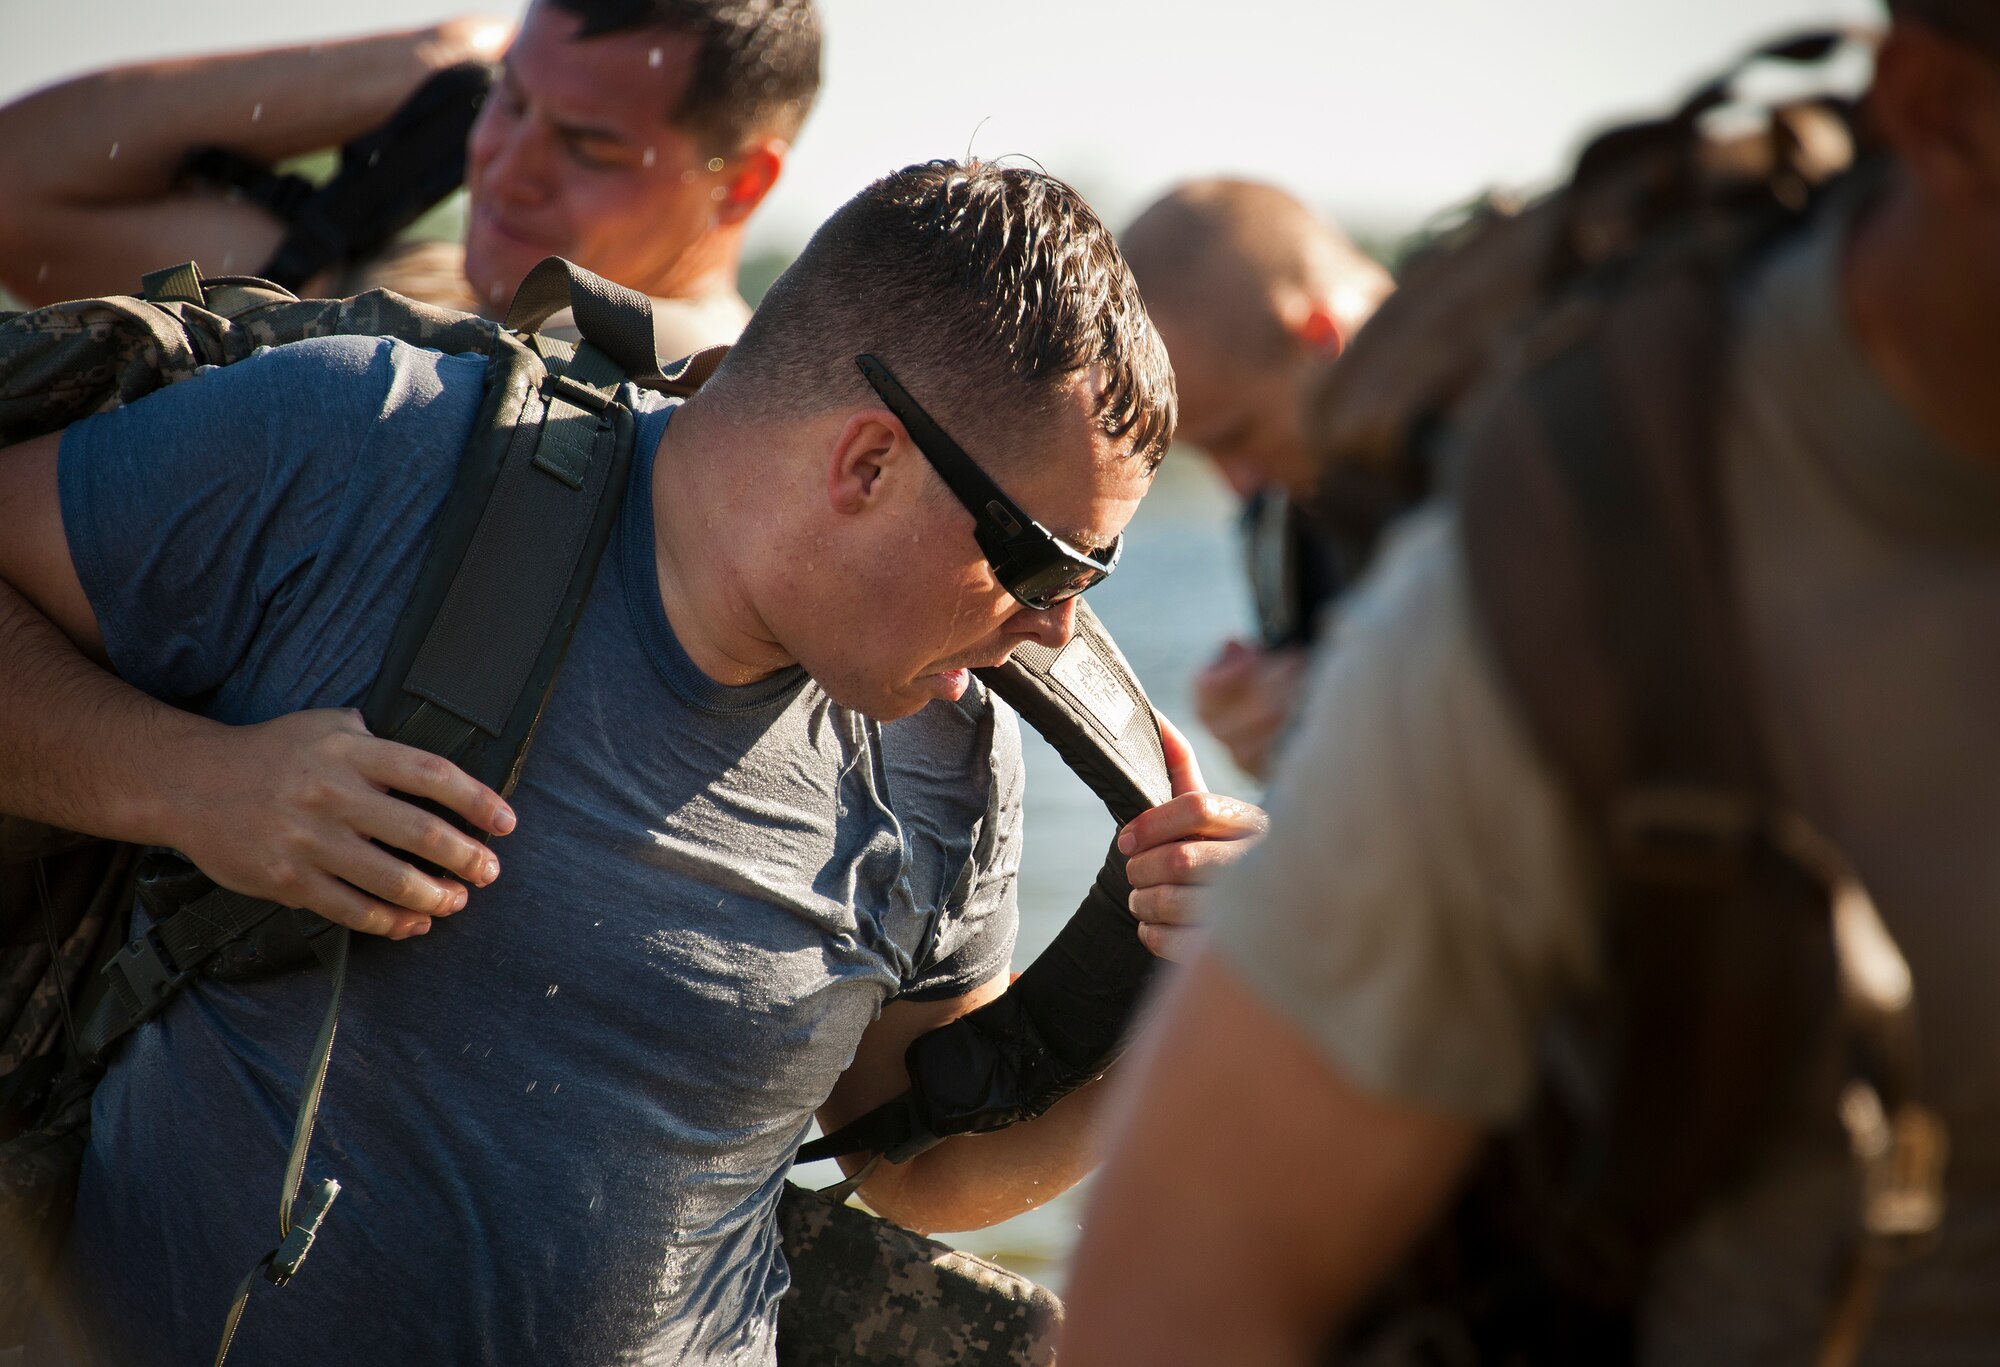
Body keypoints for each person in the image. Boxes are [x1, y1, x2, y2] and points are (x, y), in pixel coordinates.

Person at [0, 159, 1263, 1365]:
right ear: (867, 462)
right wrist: (194, 784)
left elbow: (919, 1166)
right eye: (1046, 565)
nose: (1057, 628)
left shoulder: (949, 748)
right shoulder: (359, 451)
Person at [1066, 6, 2000, 1364]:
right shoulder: (1493, 606)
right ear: (1943, 115)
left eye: (1240, 441)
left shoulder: (1530, 491)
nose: (1251, 488)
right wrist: (1311, 796)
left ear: (1318, 331)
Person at [0, 0, 820, 359]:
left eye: (588, 148)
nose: (507, 166)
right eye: (509, 101)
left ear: (743, 182)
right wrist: (438, 62)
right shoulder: (396, 294)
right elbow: (18, 189)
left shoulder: (732, 407)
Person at [1120, 181, 1393, 780]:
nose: (1237, 483)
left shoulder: (1522, 449)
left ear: (1322, 339)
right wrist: (1282, 744)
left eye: (1236, 436)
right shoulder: (1292, 503)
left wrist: (1346, 722)